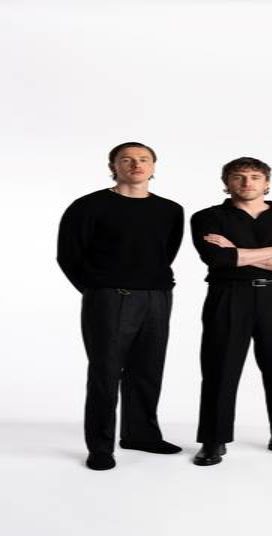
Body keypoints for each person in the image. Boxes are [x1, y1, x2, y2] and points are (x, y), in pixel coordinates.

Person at [57, 142, 184, 471]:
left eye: (143, 159)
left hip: (157, 297)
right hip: (110, 297)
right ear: (113, 166)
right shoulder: (88, 206)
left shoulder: (170, 210)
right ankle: (101, 447)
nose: (136, 165)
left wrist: (150, 286)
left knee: (148, 368)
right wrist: (98, 289)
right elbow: (68, 255)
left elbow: (166, 252)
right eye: (126, 159)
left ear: (154, 167)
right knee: (106, 372)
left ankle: (141, 435)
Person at [190, 157, 272, 466]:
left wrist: (237, 252)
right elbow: (218, 260)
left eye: (255, 177)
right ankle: (213, 439)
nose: (247, 183)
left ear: (267, 183)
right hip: (228, 295)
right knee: (220, 367)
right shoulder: (207, 217)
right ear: (226, 182)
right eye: (239, 176)